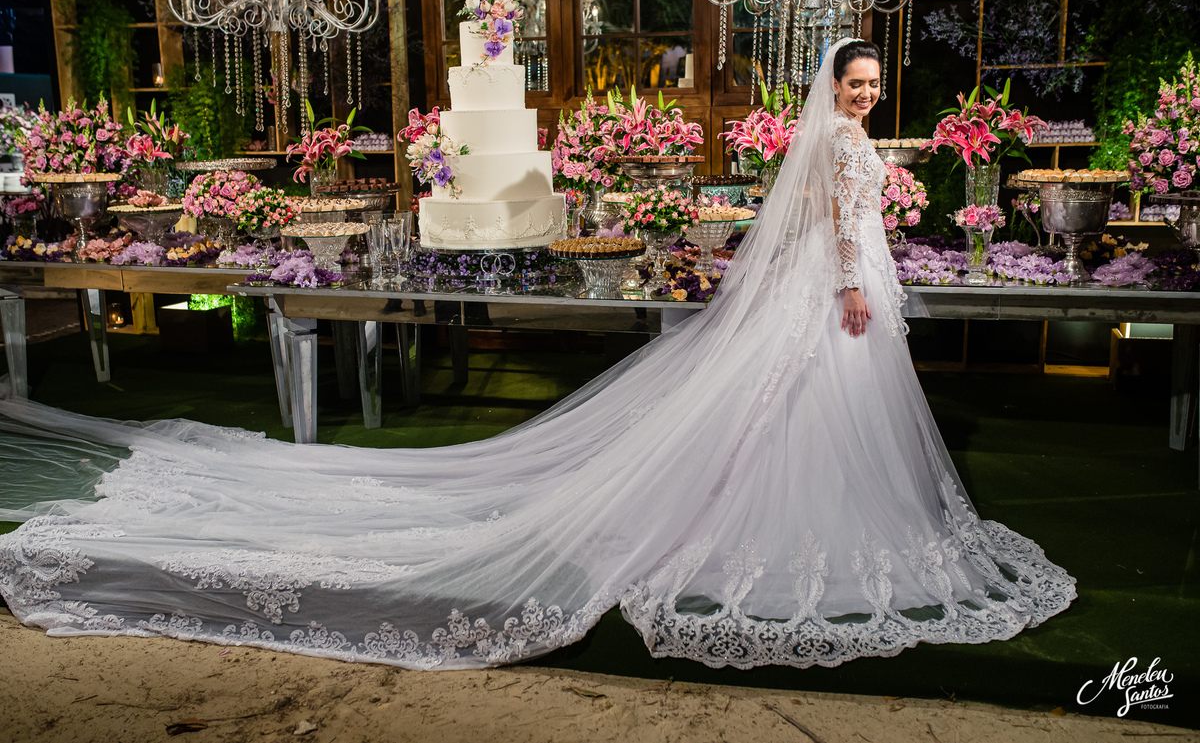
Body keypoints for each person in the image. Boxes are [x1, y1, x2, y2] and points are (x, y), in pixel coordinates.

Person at [0, 38, 1074, 670]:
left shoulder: (833, 141)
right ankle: (746, 525)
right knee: (800, 412)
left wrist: (842, 273)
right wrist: (848, 287)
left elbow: (822, 223)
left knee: (795, 413)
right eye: (855, 82)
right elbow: (839, 229)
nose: (866, 94)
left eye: (875, 84)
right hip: (836, 291)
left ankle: (743, 509)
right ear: (832, 89)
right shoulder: (840, 145)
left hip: (831, 286)